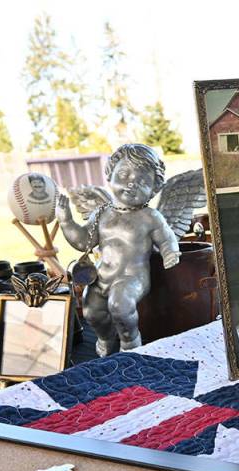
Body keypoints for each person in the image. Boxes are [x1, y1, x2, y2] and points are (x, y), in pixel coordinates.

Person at [56, 144, 180, 356]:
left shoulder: (150, 217)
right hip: (102, 275)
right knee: (91, 310)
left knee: (120, 305)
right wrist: (66, 220)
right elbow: (83, 242)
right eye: (124, 174)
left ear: (153, 189)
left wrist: (170, 252)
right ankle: (106, 337)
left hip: (133, 278)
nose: (132, 183)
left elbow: (167, 239)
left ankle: (131, 342)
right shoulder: (101, 213)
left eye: (143, 181)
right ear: (110, 175)